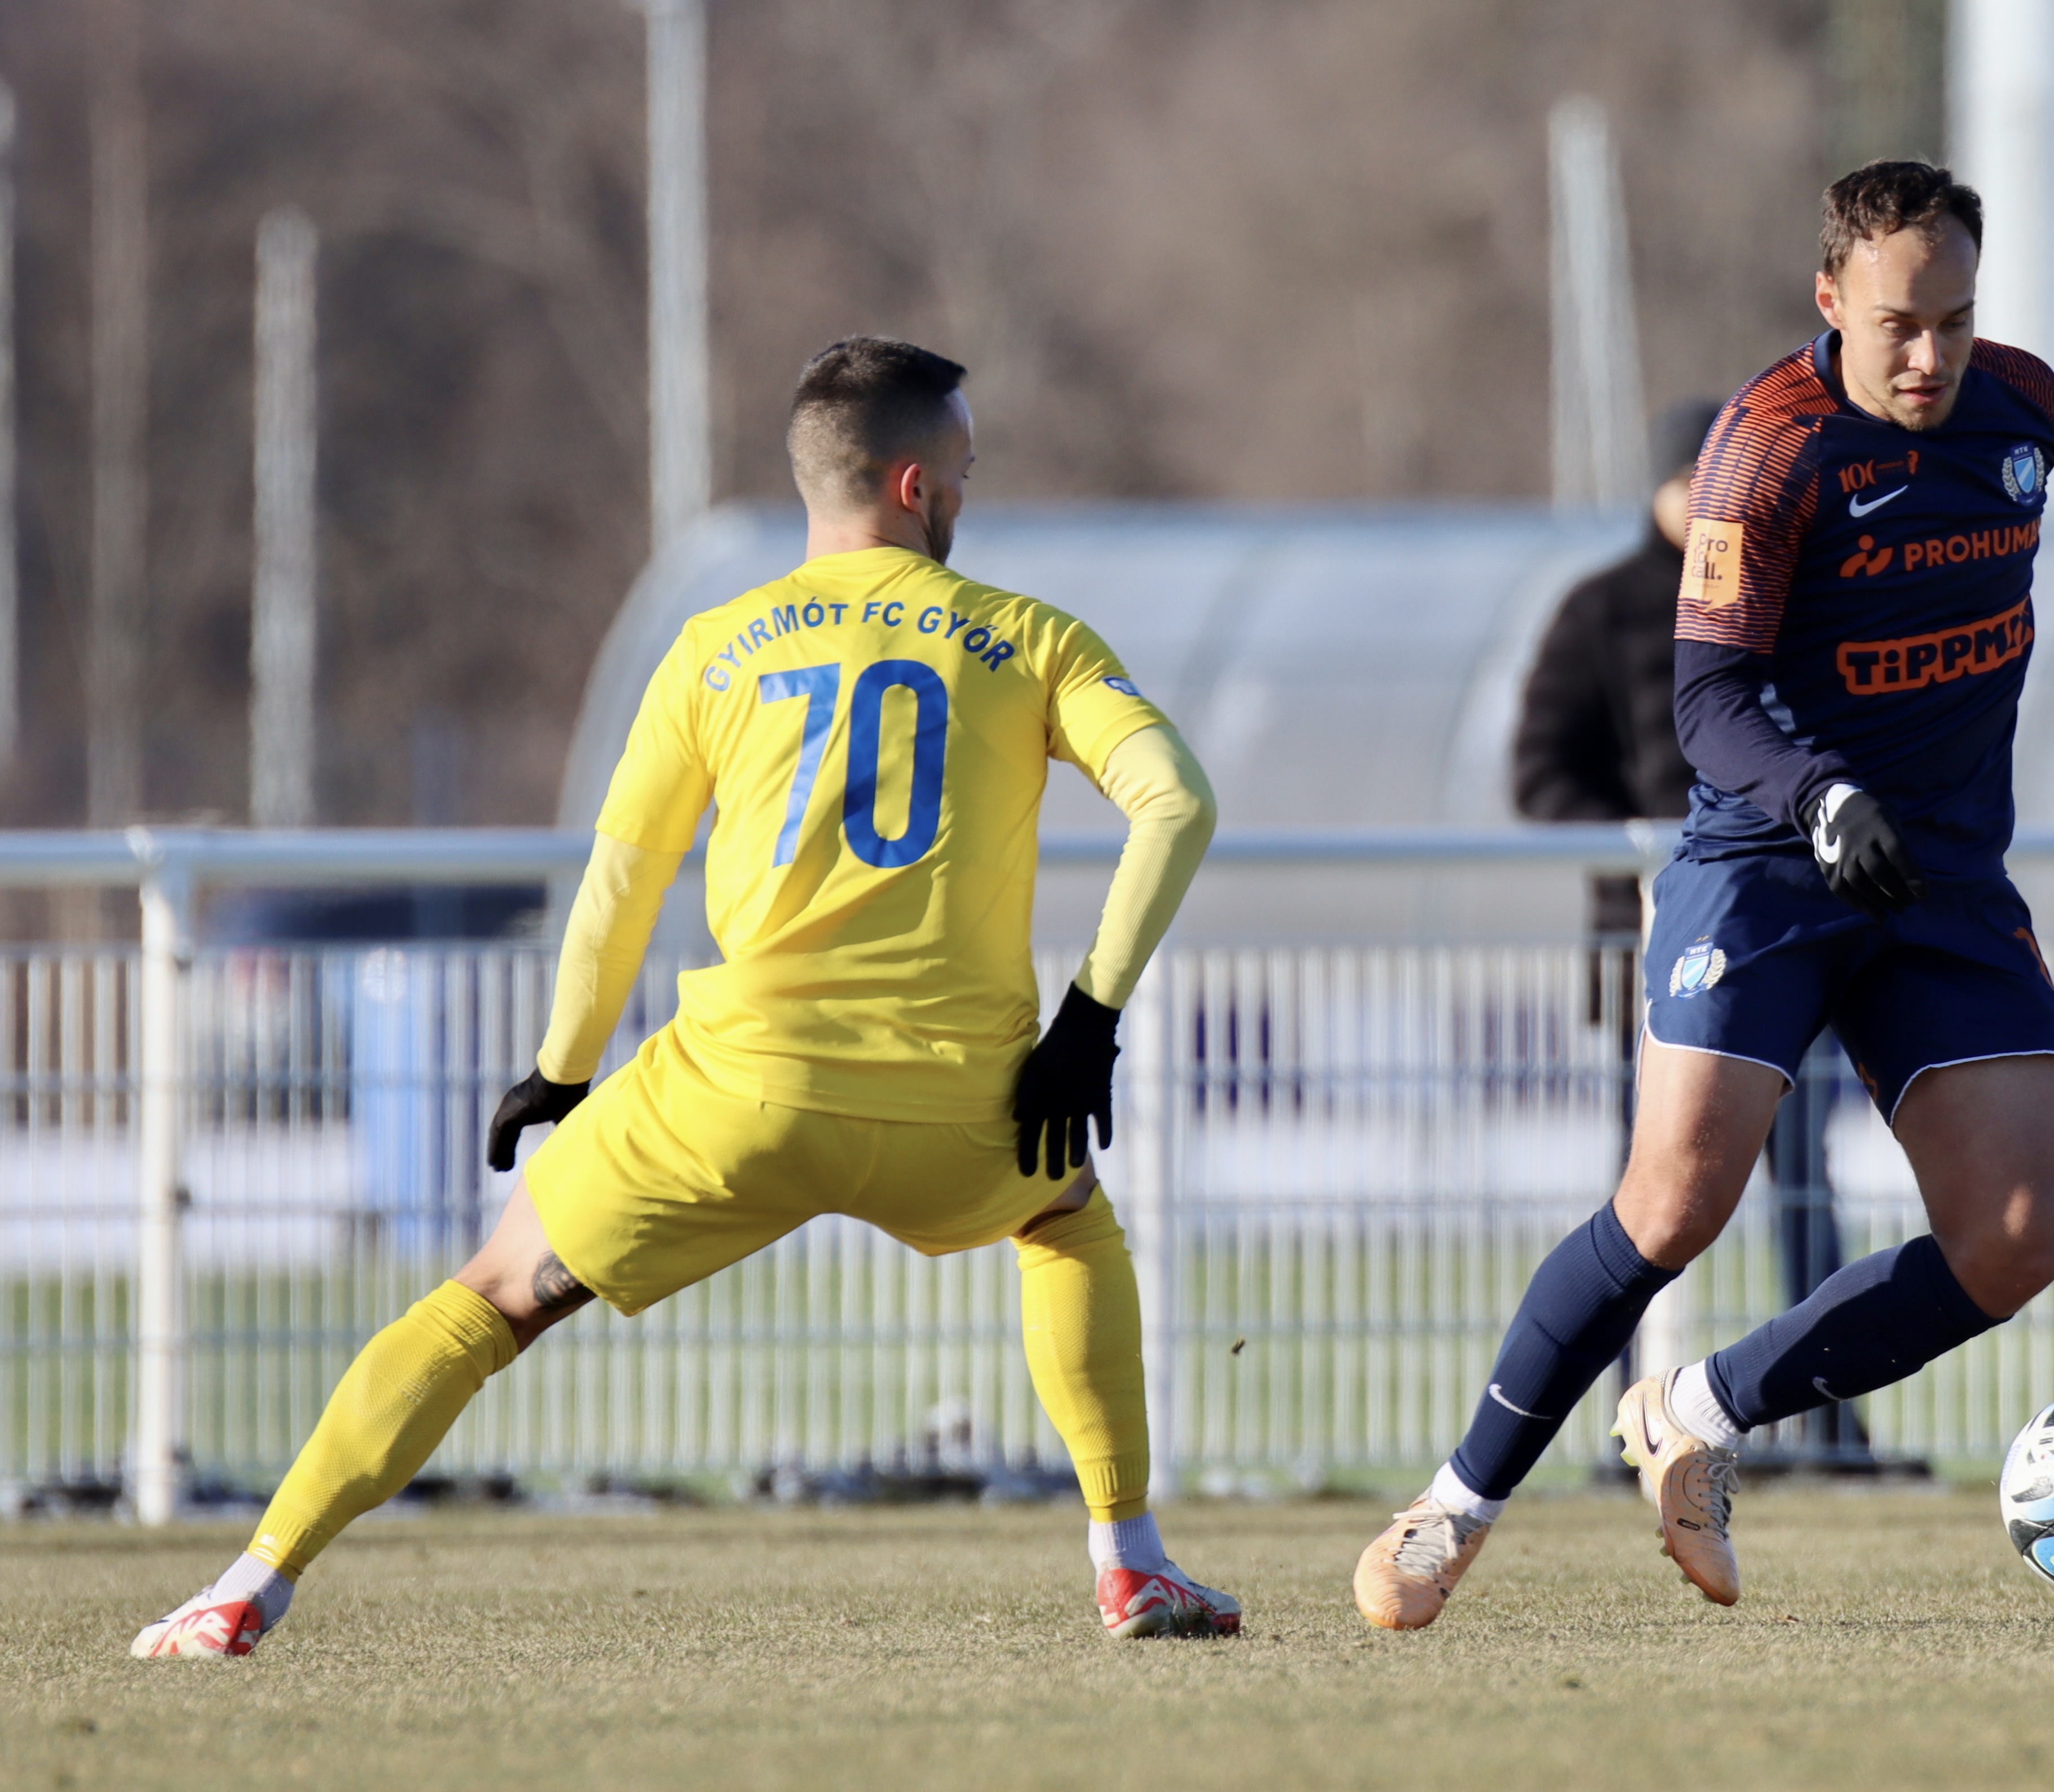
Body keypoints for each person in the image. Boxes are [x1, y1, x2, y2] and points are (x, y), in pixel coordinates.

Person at [133, 338, 1237, 1656]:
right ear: (909, 485)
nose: (964, 493)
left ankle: (249, 1583)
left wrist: (562, 1065)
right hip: (960, 1100)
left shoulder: (714, 647)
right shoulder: (1029, 639)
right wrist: (1089, 1023)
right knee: (1063, 1219)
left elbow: (618, 883)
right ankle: (1129, 1565)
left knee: (487, 1299)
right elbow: (1176, 802)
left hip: (737, 1092)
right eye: (960, 471)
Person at [1355, 160, 2054, 1628]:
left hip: (1936, 878)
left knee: (2011, 1233)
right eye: (1893, 322)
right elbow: (1704, 700)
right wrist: (1822, 794)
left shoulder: (2028, 413)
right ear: (1827, 301)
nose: (1926, 353)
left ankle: (1693, 1405)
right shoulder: (1766, 453)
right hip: (1764, 866)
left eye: (1950, 317)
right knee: (1675, 1198)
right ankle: (1452, 1502)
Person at [1511, 398, 1721, 938]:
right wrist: (1635, 848)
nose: (1705, 500)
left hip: (1769, 907)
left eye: (1720, 479)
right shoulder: (1603, 608)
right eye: (1686, 480)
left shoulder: (1782, 596)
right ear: (1655, 491)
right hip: (1640, 923)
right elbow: (1539, 771)